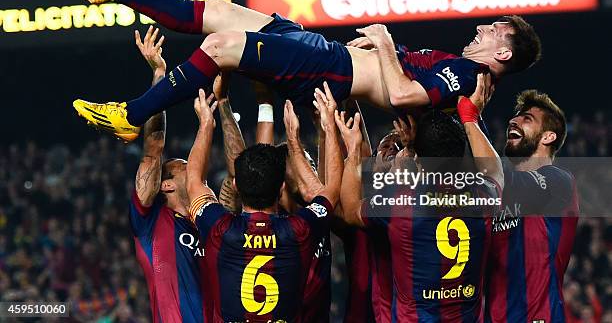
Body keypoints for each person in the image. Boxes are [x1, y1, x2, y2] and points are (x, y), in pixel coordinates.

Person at [73, 0, 541, 142]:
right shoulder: (466, 70)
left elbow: (401, 97)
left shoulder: (468, 73)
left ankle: (132, 115)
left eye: (494, 28)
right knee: (219, 11)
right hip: (329, 55)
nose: (483, 26)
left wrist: (382, 44)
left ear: (502, 49)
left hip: (329, 70)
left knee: (218, 47)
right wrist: (385, 50)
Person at [337, 73, 503, 321]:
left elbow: (350, 210)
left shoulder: (399, 203)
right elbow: (493, 170)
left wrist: (353, 150)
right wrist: (469, 117)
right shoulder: (483, 196)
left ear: (420, 162)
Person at [184, 85, 342, 322]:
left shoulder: (222, 229)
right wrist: (327, 127)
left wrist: (206, 124)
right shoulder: (302, 229)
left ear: (236, 186)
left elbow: (194, 181)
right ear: (281, 188)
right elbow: (331, 189)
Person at [127, 27, 207, 322]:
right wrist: (160, 75)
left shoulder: (210, 221)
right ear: (167, 184)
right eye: (184, 165)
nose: (193, 168)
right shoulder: (150, 223)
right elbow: (153, 147)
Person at [486, 90, 579, 323]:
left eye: (527, 118)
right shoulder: (495, 194)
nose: (513, 121)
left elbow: (505, 180)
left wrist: (471, 119)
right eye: (516, 117)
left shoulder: (560, 182)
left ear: (548, 137)